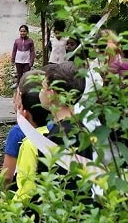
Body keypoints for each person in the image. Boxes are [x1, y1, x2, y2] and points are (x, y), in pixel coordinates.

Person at [14, 62, 88, 203]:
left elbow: (44, 190)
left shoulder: (55, 138)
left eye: (43, 87)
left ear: (52, 94)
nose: (40, 92)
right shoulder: (81, 128)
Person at [1, 70, 49, 189]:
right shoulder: (55, 126)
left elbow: (7, 176)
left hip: (21, 193)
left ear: (21, 97)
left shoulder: (17, 132)